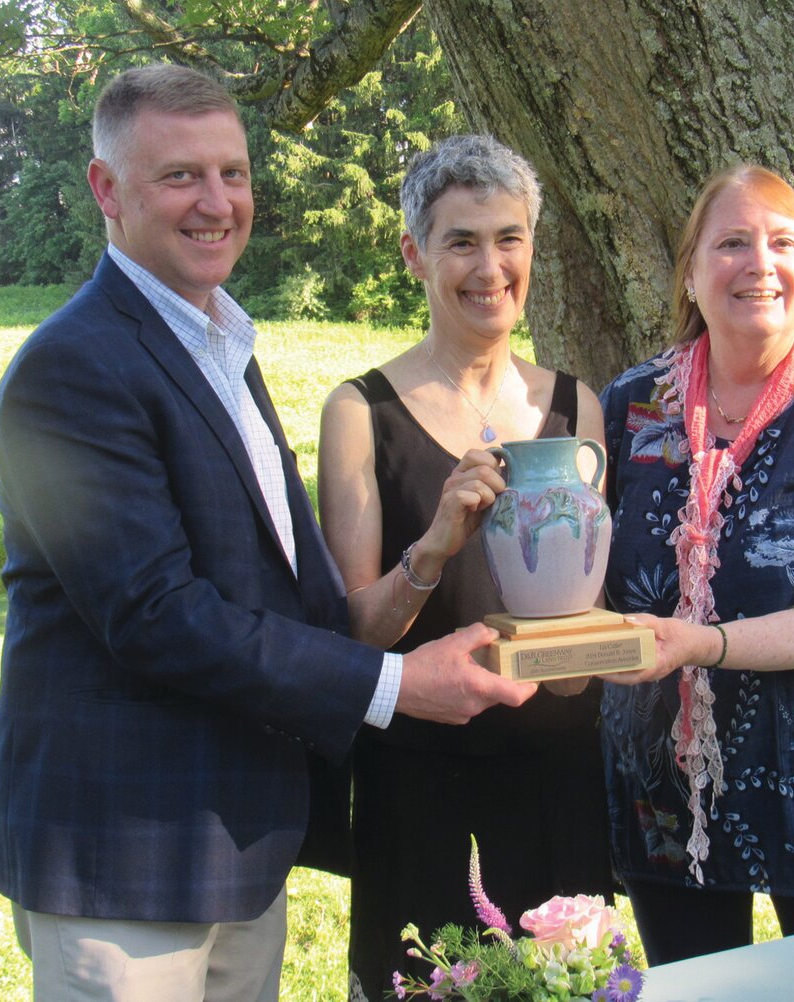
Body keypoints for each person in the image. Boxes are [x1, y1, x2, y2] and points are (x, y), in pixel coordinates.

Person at [0, 66, 536, 1002]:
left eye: (233, 174)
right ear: (105, 190)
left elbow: (285, 592)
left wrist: (427, 566)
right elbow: (154, 614)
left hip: (238, 850)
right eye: (181, 177)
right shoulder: (71, 370)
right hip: (126, 857)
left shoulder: (222, 351)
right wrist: (399, 684)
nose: (217, 203)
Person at [595, 164, 794, 965]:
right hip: (664, 790)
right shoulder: (631, 403)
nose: (759, 264)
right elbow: (583, 571)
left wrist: (703, 644)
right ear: (691, 270)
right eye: (732, 242)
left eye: (782, 243)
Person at [317, 134, 618, 1002]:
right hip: (418, 788)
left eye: (509, 237)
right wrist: (438, 541)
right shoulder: (359, 412)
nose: (491, 267)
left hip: (555, 781)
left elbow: (581, 622)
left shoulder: (574, 405)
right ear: (414, 253)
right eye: (462, 241)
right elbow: (356, 634)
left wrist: (586, 656)